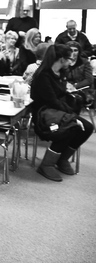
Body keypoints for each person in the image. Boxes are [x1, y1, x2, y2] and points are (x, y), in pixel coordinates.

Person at [30, 44, 93, 182]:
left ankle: (62, 158)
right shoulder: (43, 76)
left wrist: (72, 111)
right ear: (61, 59)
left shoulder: (61, 74)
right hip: (43, 115)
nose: (71, 62)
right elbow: (52, 101)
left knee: (88, 128)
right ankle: (46, 164)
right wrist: (72, 116)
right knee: (70, 127)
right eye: (68, 59)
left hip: (58, 112)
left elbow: (61, 96)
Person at [65, 41, 94, 107]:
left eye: (75, 50)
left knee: (74, 100)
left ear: (79, 52)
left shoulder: (85, 62)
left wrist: (75, 86)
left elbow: (89, 80)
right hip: (65, 89)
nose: (73, 53)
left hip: (82, 89)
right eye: (71, 50)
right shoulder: (63, 62)